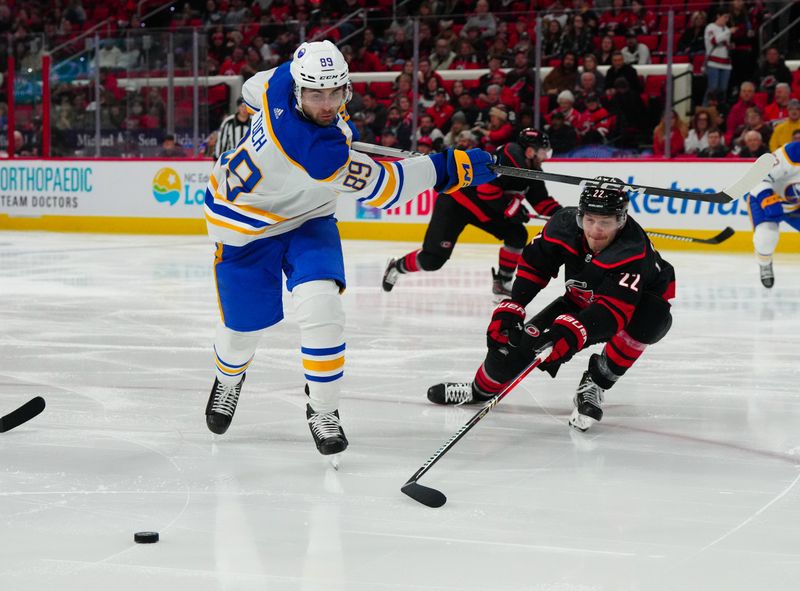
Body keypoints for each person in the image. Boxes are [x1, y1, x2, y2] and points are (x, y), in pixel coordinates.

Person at [203, 40, 496, 456]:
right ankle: (229, 381)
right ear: (301, 91)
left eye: (334, 93)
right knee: (242, 333)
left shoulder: (283, 78)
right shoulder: (317, 153)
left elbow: (252, 88)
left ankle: (323, 410)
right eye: (316, 95)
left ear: (346, 88)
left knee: (323, 311)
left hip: (308, 217)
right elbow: (387, 188)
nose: (327, 104)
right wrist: (454, 166)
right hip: (244, 227)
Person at [426, 179, 675, 432]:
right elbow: (536, 264)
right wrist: (515, 304)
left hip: (636, 303)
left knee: (650, 320)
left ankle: (596, 383)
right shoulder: (562, 225)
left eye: (605, 222)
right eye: (589, 220)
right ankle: (478, 389)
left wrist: (573, 331)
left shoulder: (632, 249)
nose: (595, 231)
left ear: (621, 221)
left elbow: (614, 312)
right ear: (579, 217)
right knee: (511, 346)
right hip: (581, 297)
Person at [382, 128, 561, 297]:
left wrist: (564, 215)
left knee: (517, 234)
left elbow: (542, 203)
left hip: (484, 209)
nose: (545, 156)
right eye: (543, 151)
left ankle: (502, 283)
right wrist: (511, 208)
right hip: (456, 204)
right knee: (432, 261)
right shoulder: (508, 159)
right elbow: (485, 191)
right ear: (530, 151)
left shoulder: (531, 170)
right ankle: (396, 267)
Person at [745, 141, 800, 288]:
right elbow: (758, 176)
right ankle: (764, 262)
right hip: (767, 199)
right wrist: (767, 199)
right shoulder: (793, 152)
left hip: (795, 207)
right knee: (766, 238)